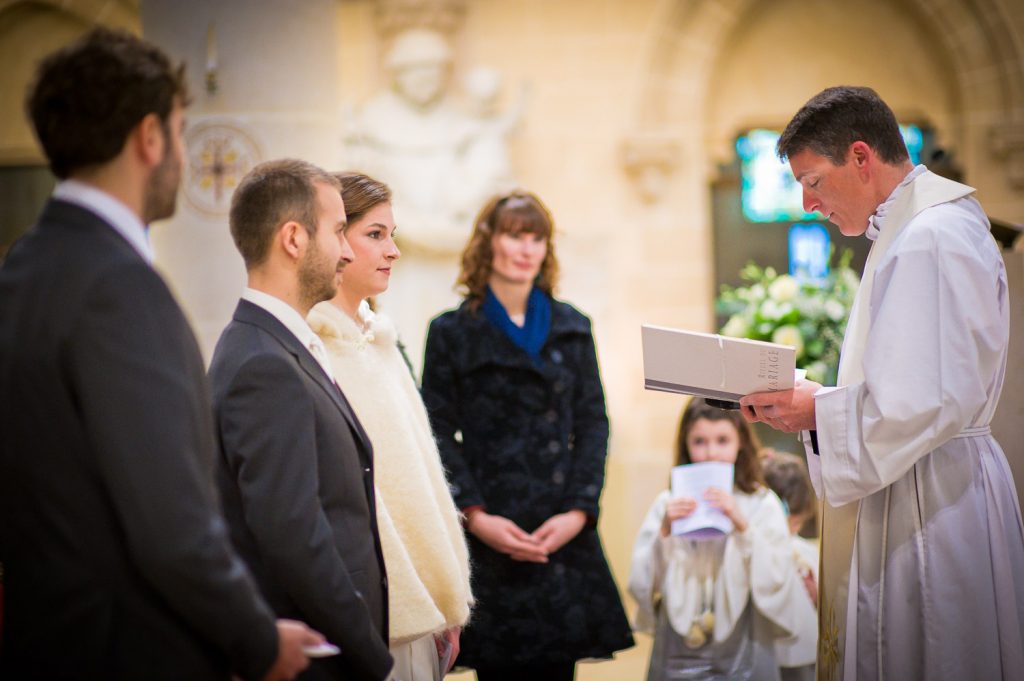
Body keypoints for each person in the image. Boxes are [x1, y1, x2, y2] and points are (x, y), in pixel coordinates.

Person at [0, 28, 320, 680]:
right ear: (150, 137)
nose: (181, 149)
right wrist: (256, 637)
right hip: (131, 651)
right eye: (179, 128)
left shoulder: (21, 269)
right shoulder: (120, 287)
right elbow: (172, 526)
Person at [739, 86, 1024, 680]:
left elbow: (924, 402)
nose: (807, 202)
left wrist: (817, 409)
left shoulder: (930, 237)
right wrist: (820, 406)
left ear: (862, 157)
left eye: (813, 181)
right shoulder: (917, 230)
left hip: (930, 498)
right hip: (917, 479)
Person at [421, 190, 634, 680]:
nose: (525, 249)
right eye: (514, 235)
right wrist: (474, 516)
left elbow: (593, 423)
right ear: (488, 243)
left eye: (536, 238)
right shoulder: (452, 332)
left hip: (562, 532)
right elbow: (433, 432)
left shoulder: (572, 326)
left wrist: (580, 511)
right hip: (490, 532)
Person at [210, 159, 393, 681]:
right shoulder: (263, 363)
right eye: (339, 231)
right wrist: (371, 655)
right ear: (294, 239)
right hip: (318, 656)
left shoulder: (276, 343)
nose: (347, 250)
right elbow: (294, 536)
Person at [306, 172, 473, 680]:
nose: (393, 251)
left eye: (392, 234)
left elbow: (421, 478)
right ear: (336, 241)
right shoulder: (316, 344)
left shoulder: (380, 337)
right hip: (375, 604)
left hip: (423, 596)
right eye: (375, 235)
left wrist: (443, 588)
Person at [628, 398, 804, 681]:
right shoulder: (667, 503)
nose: (711, 453)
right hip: (679, 643)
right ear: (685, 444)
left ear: (741, 443)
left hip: (743, 642)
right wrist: (665, 531)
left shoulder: (761, 503)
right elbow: (643, 582)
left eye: (722, 440)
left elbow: (778, 577)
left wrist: (742, 525)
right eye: (699, 441)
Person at [762, 452, 818, 681]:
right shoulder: (758, 548)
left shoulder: (805, 551)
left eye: (797, 523)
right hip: (770, 650)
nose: (790, 530)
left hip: (805, 650)